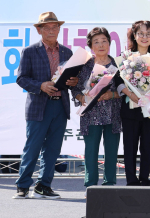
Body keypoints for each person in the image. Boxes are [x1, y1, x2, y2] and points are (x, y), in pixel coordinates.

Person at [14, 12, 78, 199]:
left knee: (53, 149)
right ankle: (23, 186)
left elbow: (71, 80)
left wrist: (73, 82)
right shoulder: (29, 51)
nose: (51, 30)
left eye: (55, 27)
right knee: (32, 147)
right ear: (39, 30)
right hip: (38, 106)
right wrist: (40, 86)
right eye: (47, 27)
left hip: (60, 106)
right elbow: (21, 78)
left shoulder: (67, 52)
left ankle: (43, 186)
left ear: (59, 29)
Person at [72, 28, 122, 194]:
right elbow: (75, 88)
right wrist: (82, 98)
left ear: (109, 43)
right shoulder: (85, 65)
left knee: (111, 151)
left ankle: (109, 185)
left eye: (104, 41)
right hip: (91, 114)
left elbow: (126, 90)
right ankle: (91, 186)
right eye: (96, 42)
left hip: (113, 114)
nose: (101, 45)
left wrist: (111, 94)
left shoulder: (118, 64)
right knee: (91, 151)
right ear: (91, 46)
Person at [116, 21, 150, 186]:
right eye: (141, 34)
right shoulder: (125, 57)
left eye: (148, 34)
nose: (144, 37)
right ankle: (131, 180)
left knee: (147, 146)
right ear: (134, 36)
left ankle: (144, 178)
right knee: (129, 146)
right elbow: (118, 81)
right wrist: (131, 94)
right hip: (130, 108)